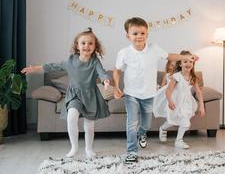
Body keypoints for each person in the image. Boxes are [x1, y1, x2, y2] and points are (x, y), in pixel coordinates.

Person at [113, 17, 198, 164]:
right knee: (131, 123)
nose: (139, 36)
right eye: (135, 33)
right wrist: (116, 86)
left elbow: (169, 56)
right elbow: (117, 71)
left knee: (145, 124)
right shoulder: (124, 53)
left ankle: (142, 133)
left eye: (142, 33)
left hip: (148, 95)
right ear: (128, 35)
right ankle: (132, 152)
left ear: (147, 34)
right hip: (131, 94)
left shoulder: (154, 48)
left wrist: (186, 57)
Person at [21, 27, 111, 158]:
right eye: (83, 43)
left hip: (90, 95)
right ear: (77, 46)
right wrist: (35, 68)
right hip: (74, 95)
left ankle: (88, 149)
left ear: (95, 46)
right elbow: (53, 66)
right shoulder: (71, 60)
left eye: (90, 43)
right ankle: (74, 147)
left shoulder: (95, 61)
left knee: (89, 125)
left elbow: (102, 73)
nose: (87, 46)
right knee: (71, 117)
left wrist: (106, 81)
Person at [153, 50, 205, 149]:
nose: (188, 63)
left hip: (186, 102)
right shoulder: (177, 76)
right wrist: (170, 101)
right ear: (180, 64)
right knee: (172, 120)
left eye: (190, 61)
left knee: (185, 122)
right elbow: (168, 91)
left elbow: (198, 92)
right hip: (175, 101)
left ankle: (179, 141)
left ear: (193, 64)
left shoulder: (193, 77)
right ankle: (163, 128)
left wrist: (202, 106)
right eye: (185, 61)